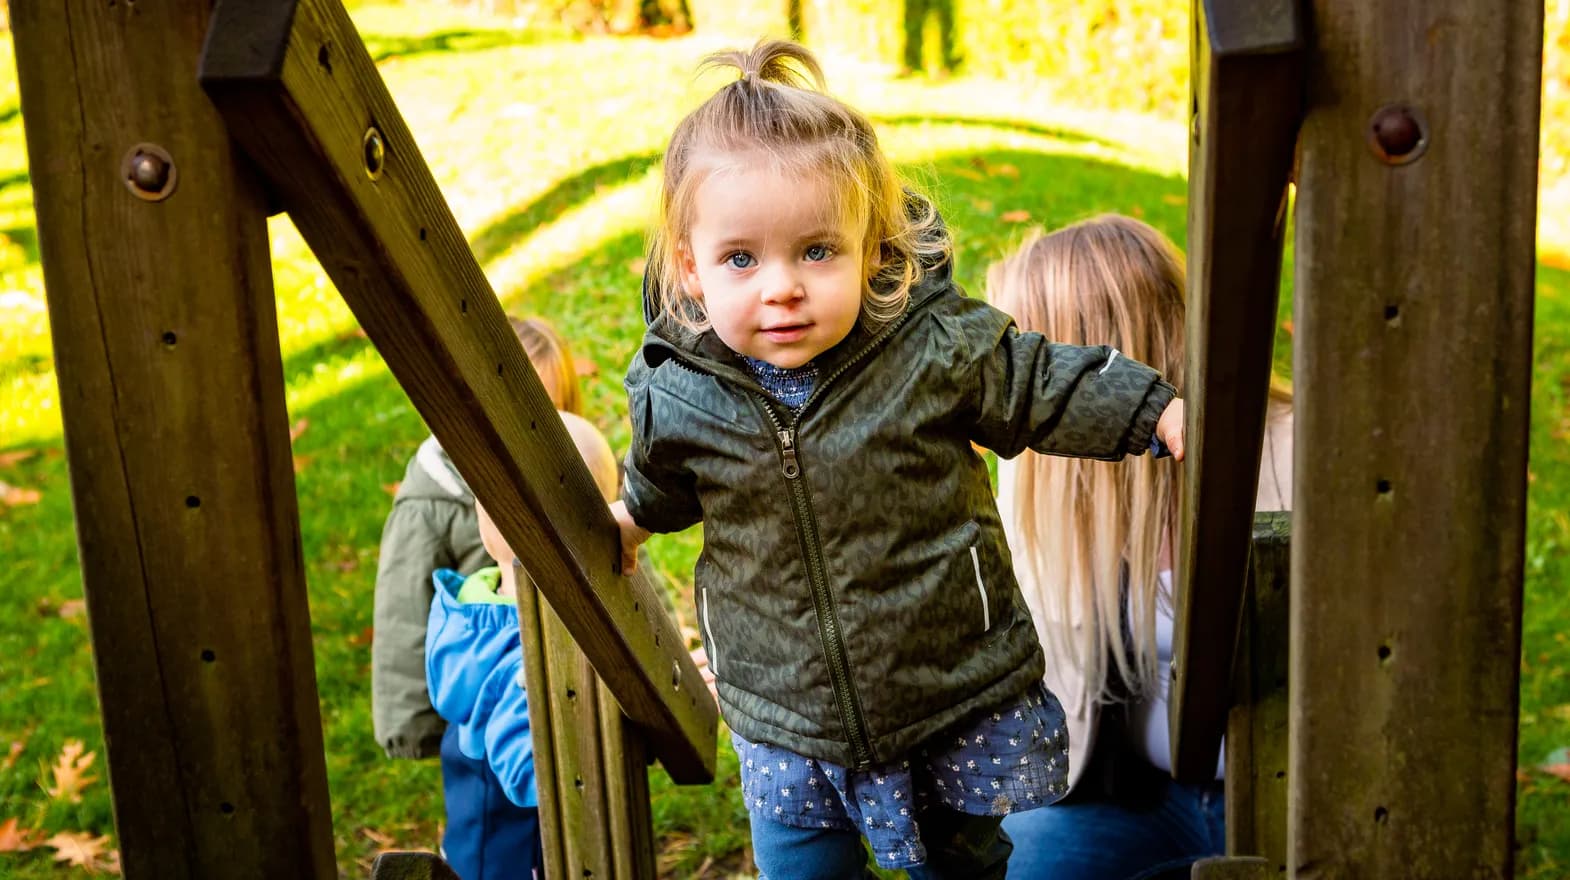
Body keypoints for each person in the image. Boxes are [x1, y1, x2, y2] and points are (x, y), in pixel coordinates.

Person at [609, 40, 1186, 879]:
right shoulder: (680, 389)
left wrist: (1148, 407)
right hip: (788, 714)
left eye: (816, 251)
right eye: (742, 258)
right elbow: (665, 479)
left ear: (874, 248)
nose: (781, 287)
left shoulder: (929, 348)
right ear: (691, 270)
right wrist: (631, 516)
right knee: (805, 867)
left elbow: (1034, 382)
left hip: (944, 691)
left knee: (963, 862)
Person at [987, 215, 1293, 879]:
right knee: (1021, 863)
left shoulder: (1293, 455)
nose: (1003, 387)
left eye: (1021, 364)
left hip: (1292, 794)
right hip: (1133, 797)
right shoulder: (1042, 479)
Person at [372, 315, 583, 760]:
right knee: (493, 820)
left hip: (570, 688)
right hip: (481, 712)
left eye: (544, 417)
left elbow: (622, 565)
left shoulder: (571, 480)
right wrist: (411, 724)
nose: (527, 435)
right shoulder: (433, 504)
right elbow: (403, 612)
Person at [426, 410, 620, 880]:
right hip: (520, 853)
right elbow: (528, 773)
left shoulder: (472, 604)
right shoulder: (522, 645)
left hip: (477, 835)